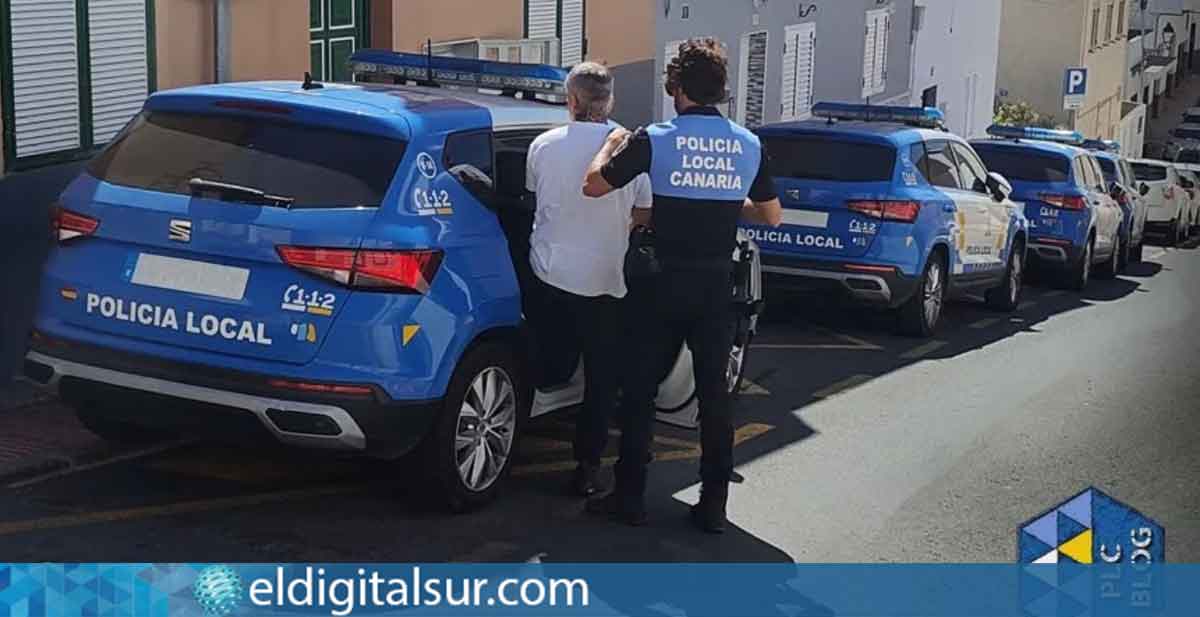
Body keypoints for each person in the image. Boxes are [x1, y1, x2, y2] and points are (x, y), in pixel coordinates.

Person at [582, 38, 782, 532]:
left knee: (640, 392)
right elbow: (771, 216)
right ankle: (713, 505)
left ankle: (629, 498)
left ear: (676, 89)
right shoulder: (748, 144)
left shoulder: (656, 137)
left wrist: (607, 147)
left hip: (659, 283)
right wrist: (722, 198)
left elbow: (595, 186)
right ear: (719, 91)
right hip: (716, 287)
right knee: (714, 397)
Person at [525, 62, 653, 497]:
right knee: (601, 381)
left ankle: (522, 431)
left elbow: (533, 197)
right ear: (610, 101)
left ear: (571, 101)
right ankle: (587, 467)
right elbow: (643, 215)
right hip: (603, 281)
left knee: (545, 358)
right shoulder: (630, 149)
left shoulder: (542, 145)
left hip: (547, 276)